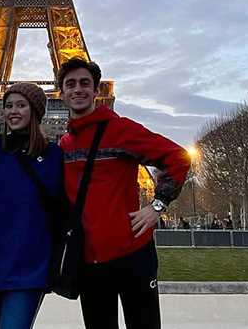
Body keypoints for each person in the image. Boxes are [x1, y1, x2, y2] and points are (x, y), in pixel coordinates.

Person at [57, 57, 191, 329]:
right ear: (62, 93)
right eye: (70, 84)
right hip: (88, 260)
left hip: (132, 253)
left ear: (96, 91)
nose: (78, 89)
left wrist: (157, 206)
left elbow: (178, 157)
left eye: (85, 83)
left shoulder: (120, 130)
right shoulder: (63, 144)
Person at [0, 82, 62, 329]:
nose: (13, 111)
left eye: (21, 105)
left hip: (28, 266)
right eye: (8, 105)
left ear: (35, 111)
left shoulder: (54, 156)